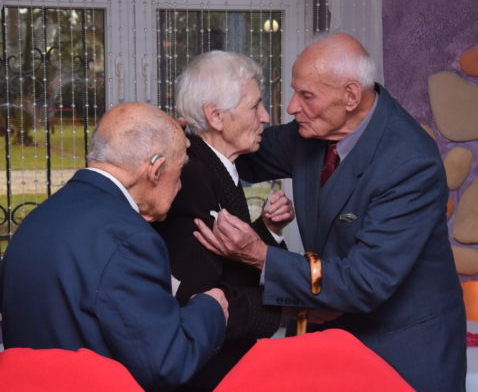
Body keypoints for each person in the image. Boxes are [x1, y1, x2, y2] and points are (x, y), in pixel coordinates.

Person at [194, 33, 467, 392]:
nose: (292, 107)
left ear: (351, 96)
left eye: (306, 96)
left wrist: (261, 256)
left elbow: (365, 282)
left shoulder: (408, 161)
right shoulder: (311, 131)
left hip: (402, 347)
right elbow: (237, 146)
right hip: (334, 336)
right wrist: (181, 139)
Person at [0, 102, 229, 392]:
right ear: (156, 170)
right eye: (180, 170)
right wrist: (210, 309)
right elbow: (166, 364)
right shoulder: (130, 239)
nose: (181, 185)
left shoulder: (38, 218)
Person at [153, 51, 295, 391]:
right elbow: (200, 303)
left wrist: (267, 231)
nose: (266, 117)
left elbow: (227, 264)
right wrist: (289, 307)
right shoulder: (190, 181)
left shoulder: (213, 168)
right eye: (255, 106)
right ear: (215, 116)